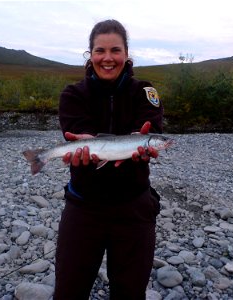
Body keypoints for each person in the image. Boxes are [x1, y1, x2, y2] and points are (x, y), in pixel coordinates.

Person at [54, 19, 164, 300]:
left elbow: (152, 129)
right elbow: (78, 134)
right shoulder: (73, 94)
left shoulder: (145, 92)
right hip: (83, 207)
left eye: (115, 50)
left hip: (134, 208)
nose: (107, 58)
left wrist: (145, 144)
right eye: (100, 50)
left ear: (127, 53)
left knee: (130, 293)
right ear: (90, 54)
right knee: (68, 291)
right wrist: (82, 145)